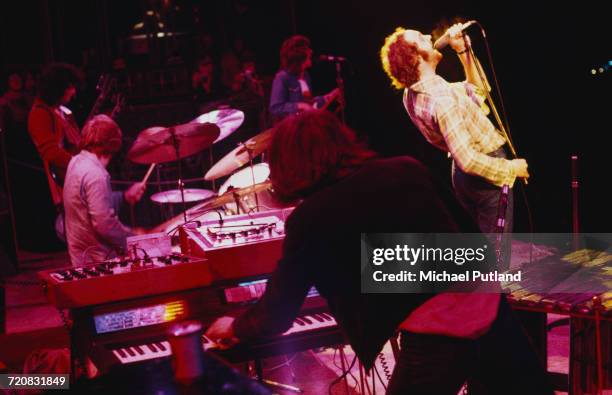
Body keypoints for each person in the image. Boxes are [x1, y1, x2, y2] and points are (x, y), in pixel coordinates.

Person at [206, 111, 551, 394]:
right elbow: (470, 239)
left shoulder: (309, 218)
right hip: (487, 306)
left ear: (288, 165)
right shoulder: (405, 168)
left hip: (440, 332)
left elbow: (277, 314)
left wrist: (235, 326)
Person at [380, 25, 530, 236]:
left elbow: (478, 90)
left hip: (462, 179)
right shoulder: (442, 101)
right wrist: (512, 169)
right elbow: (468, 160)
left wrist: (464, 51)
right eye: (421, 39)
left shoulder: (413, 93)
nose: (428, 36)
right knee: (495, 259)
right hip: (485, 172)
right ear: (415, 59)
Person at [63, 115, 146, 266]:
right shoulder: (96, 174)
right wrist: (133, 237)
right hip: (97, 259)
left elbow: (87, 204)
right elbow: (104, 225)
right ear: (113, 145)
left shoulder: (75, 162)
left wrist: (124, 196)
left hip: (79, 253)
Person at [28, 63, 83, 207]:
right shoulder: (40, 113)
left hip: (72, 180)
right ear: (58, 88)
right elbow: (50, 152)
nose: (74, 91)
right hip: (60, 186)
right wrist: (81, 165)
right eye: (70, 87)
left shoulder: (60, 110)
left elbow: (74, 141)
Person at [269, 35, 340, 123]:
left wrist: (327, 98)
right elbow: (275, 108)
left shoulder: (305, 75)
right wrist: (300, 106)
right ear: (299, 57)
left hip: (305, 125)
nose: (311, 51)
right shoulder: (282, 77)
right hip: (291, 130)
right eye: (306, 48)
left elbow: (310, 103)